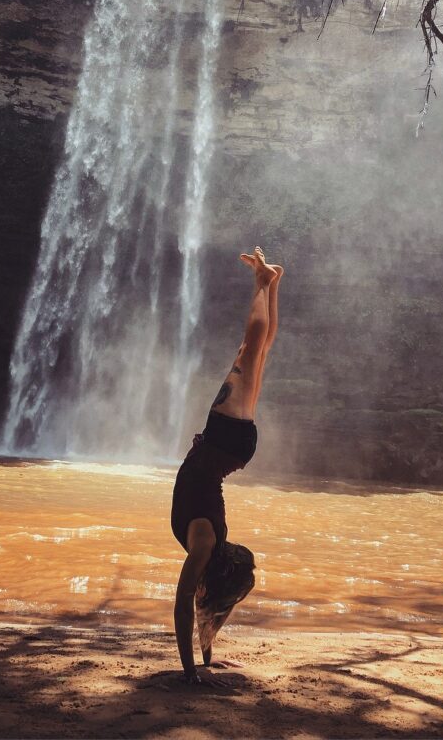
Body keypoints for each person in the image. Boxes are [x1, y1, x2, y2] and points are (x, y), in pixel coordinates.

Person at [171, 245, 282, 685]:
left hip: (230, 446)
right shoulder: (205, 546)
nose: (239, 551)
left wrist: (197, 667)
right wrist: (197, 665)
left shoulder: (206, 548)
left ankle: (269, 283)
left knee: (255, 351)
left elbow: (190, 605)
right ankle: (266, 284)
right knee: (251, 351)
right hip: (224, 443)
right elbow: (192, 602)